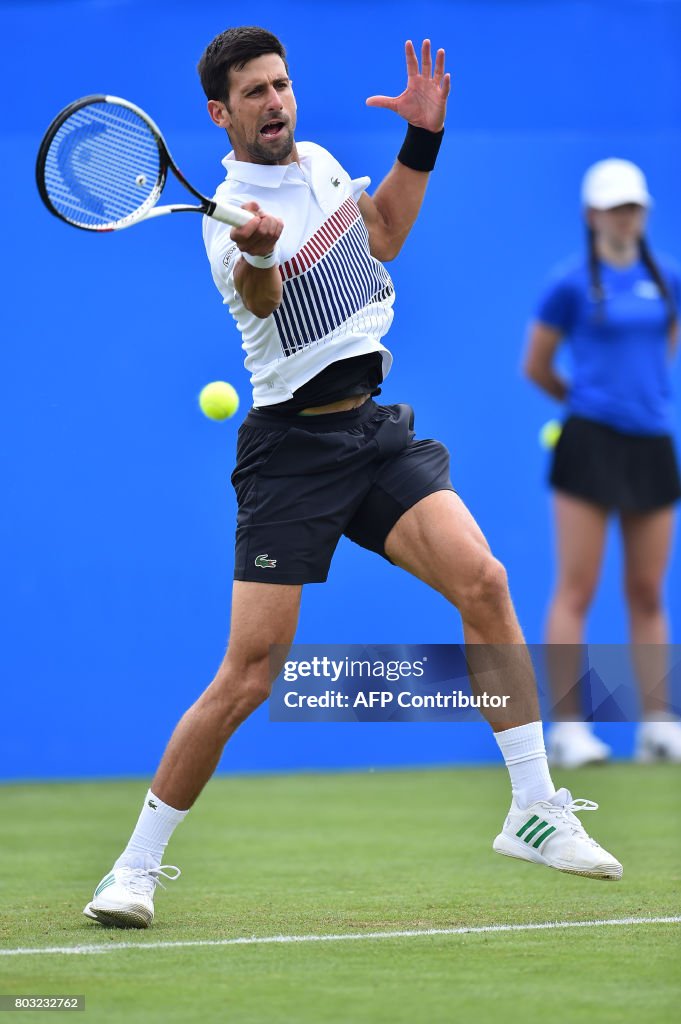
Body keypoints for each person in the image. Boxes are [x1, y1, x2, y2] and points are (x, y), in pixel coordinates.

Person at [83, 27, 622, 930]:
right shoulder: (226, 216)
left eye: (281, 85)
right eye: (254, 93)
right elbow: (260, 297)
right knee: (250, 677)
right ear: (221, 113)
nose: (275, 103)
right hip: (289, 453)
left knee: (484, 583)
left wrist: (421, 140)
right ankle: (132, 870)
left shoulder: (324, 162)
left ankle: (534, 809)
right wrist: (257, 252)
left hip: (372, 432)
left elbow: (384, 234)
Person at [525, 158, 681, 769]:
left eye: (634, 207)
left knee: (646, 588)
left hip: (650, 445)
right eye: (616, 208)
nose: (626, 217)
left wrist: (636, 402)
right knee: (577, 586)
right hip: (588, 442)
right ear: (593, 216)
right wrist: (586, 405)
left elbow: (660, 355)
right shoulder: (567, 286)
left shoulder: (667, 281)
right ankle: (568, 729)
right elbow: (537, 365)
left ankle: (660, 724)